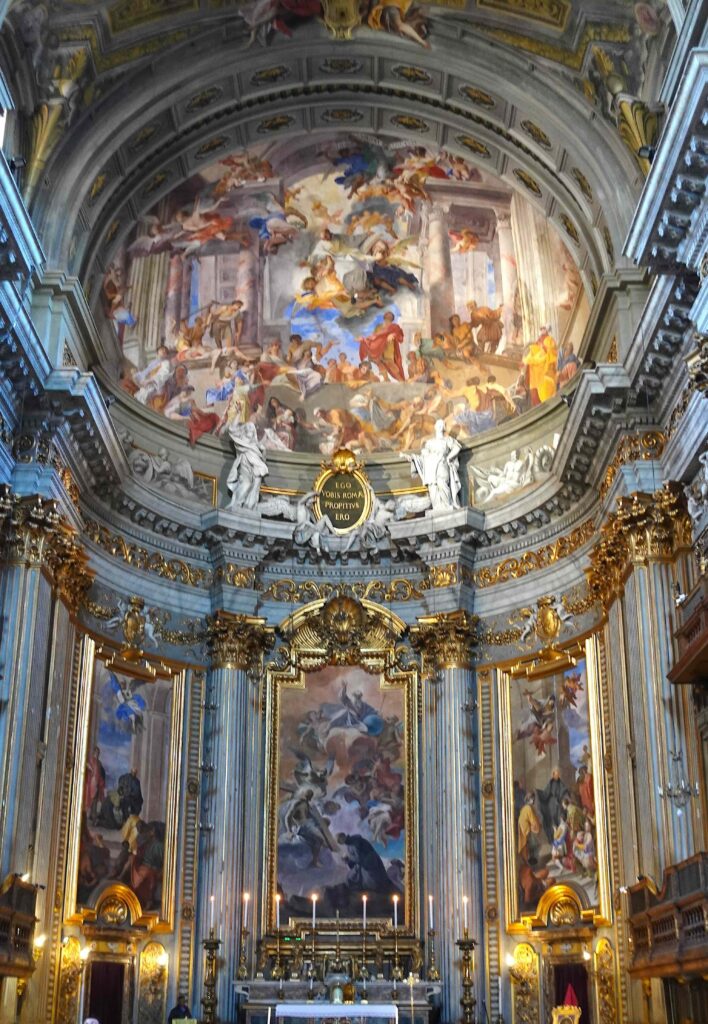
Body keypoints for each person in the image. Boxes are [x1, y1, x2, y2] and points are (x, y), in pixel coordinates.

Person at [401, 418, 462, 510]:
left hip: (442, 465)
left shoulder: (447, 440)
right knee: (433, 488)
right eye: (438, 424)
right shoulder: (429, 443)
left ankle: (447, 505)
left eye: (442, 425)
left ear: (444, 428)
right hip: (431, 469)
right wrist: (413, 458)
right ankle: (437, 508)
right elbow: (424, 458)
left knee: (442, 484)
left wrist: (449, 457)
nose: (440, 426)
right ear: (435, 427)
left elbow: (457, 448)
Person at [225, 420, 269, 510]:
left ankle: (248, 506)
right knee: (246, 484)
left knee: (254, 488)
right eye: (248, 427)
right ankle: (236, 504)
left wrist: (264, 451)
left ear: (254, 432)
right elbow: (232, 429)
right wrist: (238, 414)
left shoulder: (257, 445)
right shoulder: (241, 440)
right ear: (244, 429)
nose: (250, 429)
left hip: (255, 469)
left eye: (252, 428)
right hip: (244, 466)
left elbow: (263, 459)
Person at [359, 312, 405, 381]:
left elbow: (399, 335)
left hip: (388, 348)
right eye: (387, 317)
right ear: (384, 318)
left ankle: (400, 379)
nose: (388, 319)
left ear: (392, 319)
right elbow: (374, 336)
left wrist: (393, 334)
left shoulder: (394, 326)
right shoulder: (379, 327)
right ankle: (386, 378)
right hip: (378, 349)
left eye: (389, 318)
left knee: (390, 364)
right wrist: (365, 340)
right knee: (378, 362)